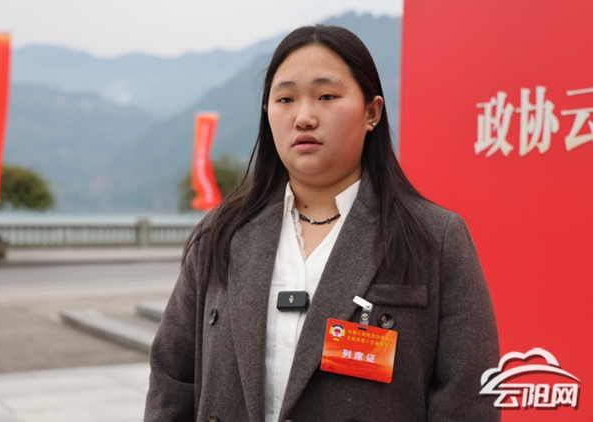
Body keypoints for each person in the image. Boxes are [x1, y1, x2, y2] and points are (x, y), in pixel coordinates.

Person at [145, 25, 500, 422]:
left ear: (372, 112)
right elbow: (171, 380)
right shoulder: (220, 235)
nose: (304, 117)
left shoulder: (434, 238)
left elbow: (468, 397)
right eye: (285, 99)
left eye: (326, 96)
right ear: (267, 113)